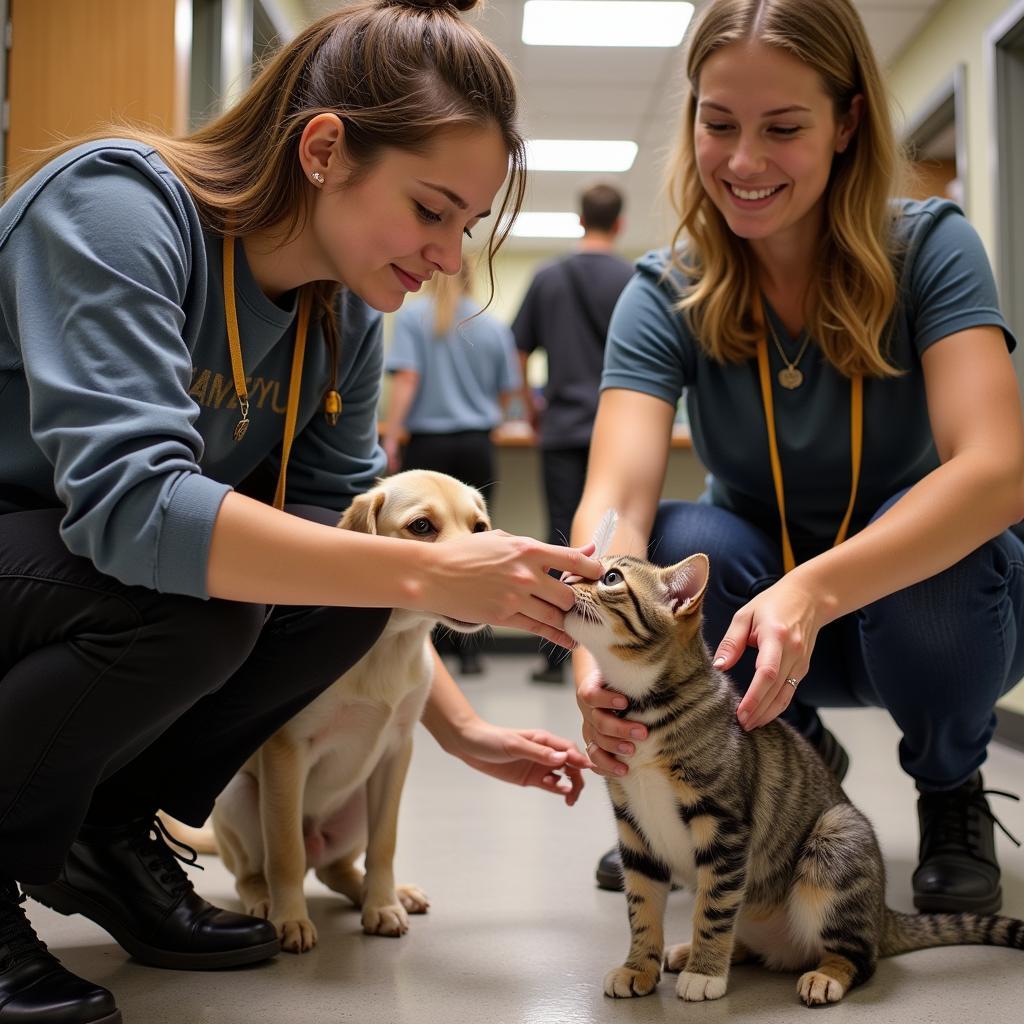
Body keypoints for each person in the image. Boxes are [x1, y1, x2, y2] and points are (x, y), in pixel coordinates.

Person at [0, 2, 604, 1022]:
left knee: (332, 582)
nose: (449, 255)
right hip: (45, 542)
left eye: (464, 225)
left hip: (72, 570)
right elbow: (132, 506)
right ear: (324, 149)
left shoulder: (343, 313)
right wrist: (437, 573)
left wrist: (450, 723)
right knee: (194, 600)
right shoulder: (114, 207)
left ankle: (102, 835)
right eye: (431, 209)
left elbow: (351, 555)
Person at [572, 0, 1024, 912]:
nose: (743, 162)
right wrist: (594, 644)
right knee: (683, 536)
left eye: (783, 128)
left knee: (938, 547)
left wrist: (815, 590)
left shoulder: (933, 248)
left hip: (937, 613)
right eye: (718, 122)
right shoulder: (664, 291)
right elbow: (617, 496)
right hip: (760, 623)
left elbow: (999, 470)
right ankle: (781, 765)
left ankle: (950, 791)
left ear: (847, 122)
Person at [512, 182, 635, 683]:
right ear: (620, 224)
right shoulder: (634, 279)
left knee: (561, 537)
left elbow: (517, 352)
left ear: (580, 220)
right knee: (619, 533)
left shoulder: (548, 277)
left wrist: (532, 408)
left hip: (561, 427)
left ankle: (556, 655)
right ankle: (616, 651)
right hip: (621, 430)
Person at [382, 264, 522, 674]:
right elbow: (506, 392)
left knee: (427, 551)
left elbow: (407, 379)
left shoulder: (412, 317)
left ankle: (431, 649)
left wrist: (392, 435)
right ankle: (472, 652)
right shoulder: (492, 326)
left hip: (429, 446)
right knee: (477, 548)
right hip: (477, 445)